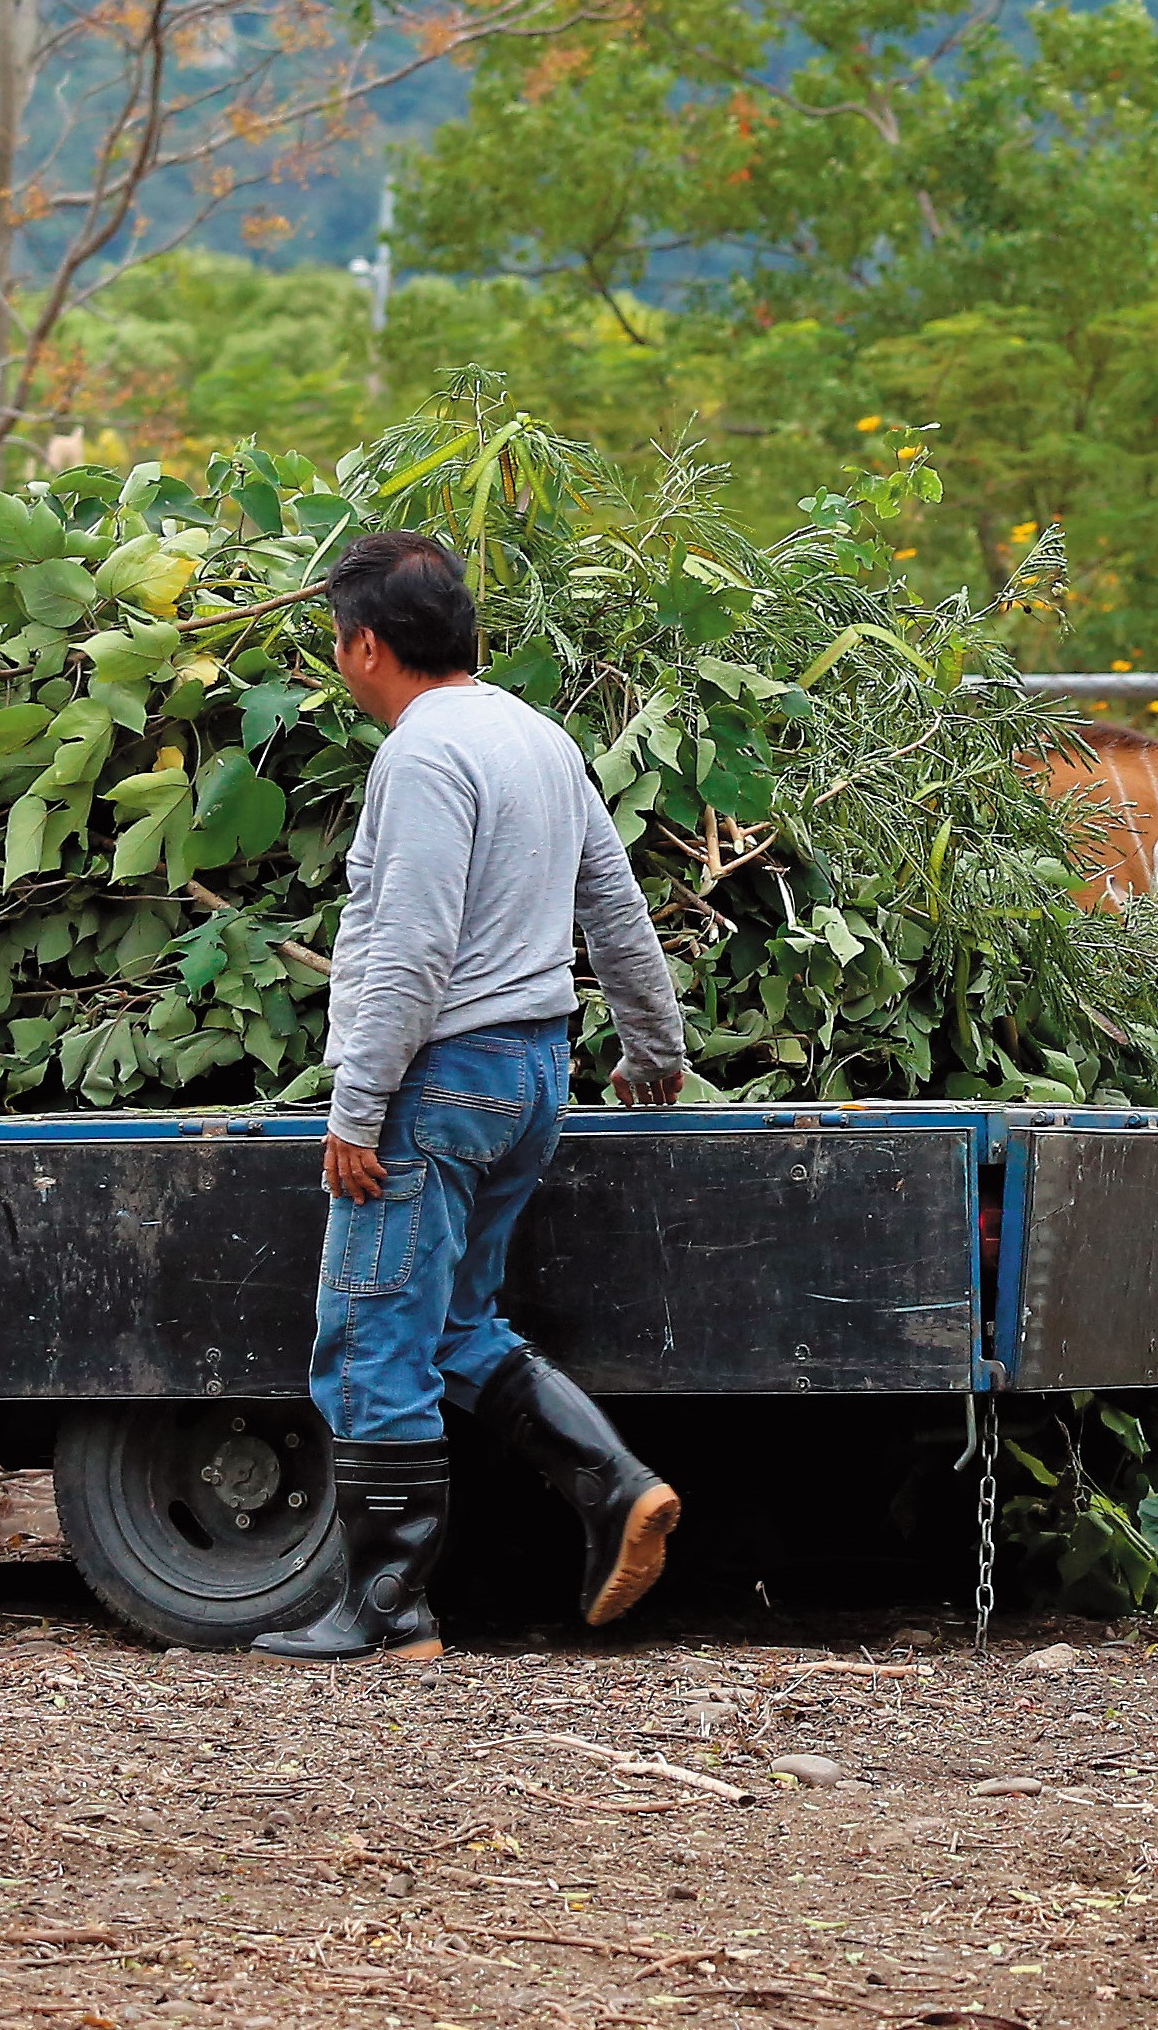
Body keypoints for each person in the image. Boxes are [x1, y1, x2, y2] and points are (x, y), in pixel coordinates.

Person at [255, 528, 696, 1664]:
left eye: (333, 645)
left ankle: (387, 1610)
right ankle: (614, 1488)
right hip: (530, 1075)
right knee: (453, 1326)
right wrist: (654, 1048)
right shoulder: (537, 737)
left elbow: (408, 946)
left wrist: (356, 1112)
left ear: (361, 647)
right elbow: (614, 904)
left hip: (436, 1085)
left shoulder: (422, 755)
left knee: (367, 1339)